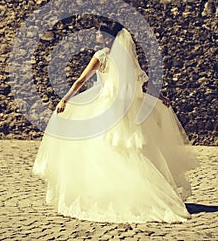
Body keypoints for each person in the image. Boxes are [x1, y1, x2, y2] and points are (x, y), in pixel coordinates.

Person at [32, 22, 199, 223]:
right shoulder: (129, 59)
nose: (96, 37)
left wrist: (64, 99)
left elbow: (80, 81)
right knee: (131, 151)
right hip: (126, 110)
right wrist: (161, 97)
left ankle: (105, 195)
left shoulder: (100, 56)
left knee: (99, 149)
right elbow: (145, 83)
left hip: (105, 107)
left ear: (108, 37)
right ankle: (136, 193)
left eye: (100, 35)